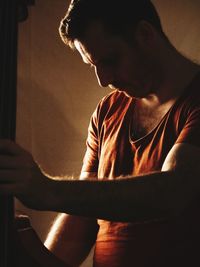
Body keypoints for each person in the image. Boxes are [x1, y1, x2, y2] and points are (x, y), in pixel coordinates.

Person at [1, 0, 200, 266]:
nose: (103, 80)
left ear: (145, 34)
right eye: (92, 64)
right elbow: (84, 212)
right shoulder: (108, 110)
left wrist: (45, 189)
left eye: (110, 60)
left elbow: (172, 193)